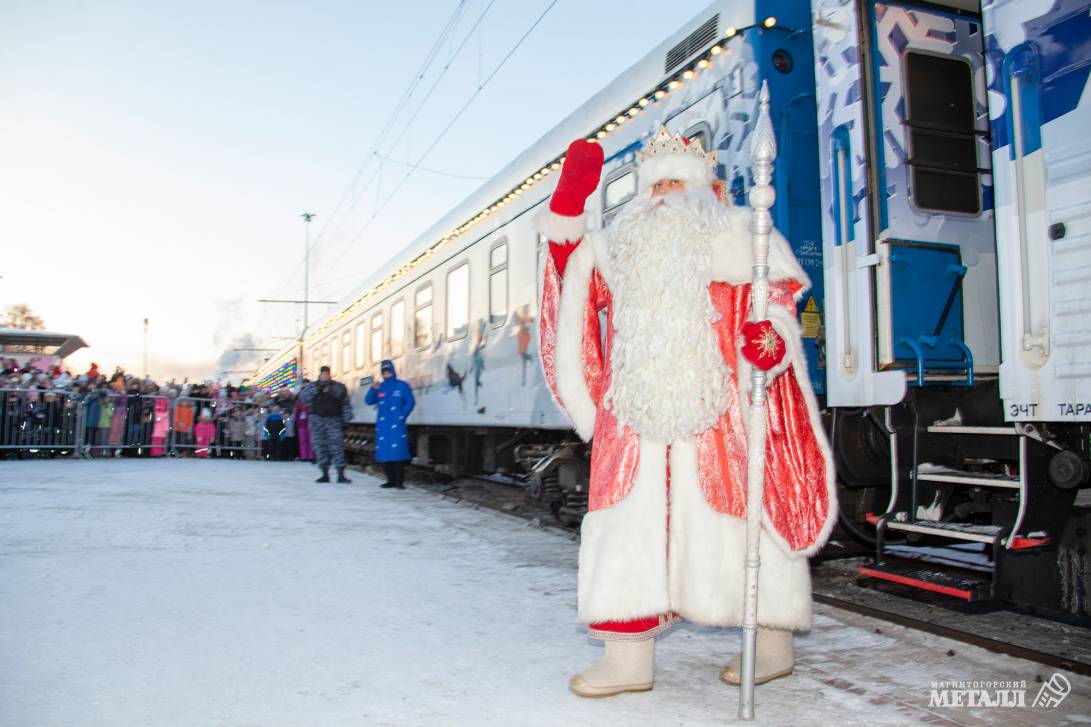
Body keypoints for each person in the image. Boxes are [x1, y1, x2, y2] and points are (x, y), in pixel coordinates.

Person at [536, 131, 835, 697]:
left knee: (748, 516)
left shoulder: (745, 237)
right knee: (627, 527)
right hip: (634, 412)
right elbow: (567, 278)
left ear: (706, 189)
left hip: (724, 410)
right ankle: (627, 658)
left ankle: (770, 644)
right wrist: (567, 207)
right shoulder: (617, 245)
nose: (665, 193)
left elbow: (778, 305)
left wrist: (770, 340)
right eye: (656, 184)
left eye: (677, 182)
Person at [364, 359, 415, 489]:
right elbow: (368, 401)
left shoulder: (402, 385)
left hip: (397, 424)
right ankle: (390, 481)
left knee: (398, 453)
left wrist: (402, 415)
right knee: (386, 453)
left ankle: (399, 482)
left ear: (393, 371)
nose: (386, 374)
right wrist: (372, 389)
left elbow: (410, 401)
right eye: (384, 372)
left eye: (388, 372)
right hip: (383, 426)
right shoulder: (380, 386)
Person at [300, 366, 353, 483]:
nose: (325, 376)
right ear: (320, 375)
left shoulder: (338, 386)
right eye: (323, 374)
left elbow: (345, 404)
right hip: (317, 422)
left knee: (337, 448)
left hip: (334, 421)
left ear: (329, 374)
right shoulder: (313, 386)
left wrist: (346, 420)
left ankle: (340, 474)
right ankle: (324, 474)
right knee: (320, 448)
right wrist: (317, 389)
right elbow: (303, 398)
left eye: (327, 374)